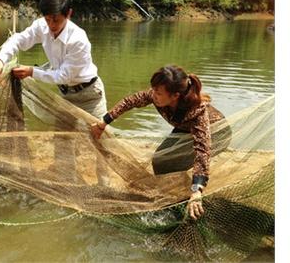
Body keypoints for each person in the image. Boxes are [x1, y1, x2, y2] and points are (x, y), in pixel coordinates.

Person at [91, 65, 232, 220]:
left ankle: (188, 199)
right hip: (185, 129)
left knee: (174, 164)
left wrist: (197, 190)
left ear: (175, 96)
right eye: (154, 90)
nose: (153, 95)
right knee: (160, 160)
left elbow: (202, 150)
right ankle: (174, 198)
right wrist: (104, 122)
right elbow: (130, 101)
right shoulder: (156, 96)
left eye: (158, 93)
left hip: (217, 133)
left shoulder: (197, 111)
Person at [0, 0, 107, 119]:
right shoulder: (42, 26)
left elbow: (64, 76)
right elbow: (19, 40)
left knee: (98, 137)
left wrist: (32, 71)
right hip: (66, 95)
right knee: (60, 138)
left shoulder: (78, 40)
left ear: (68, 14)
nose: (51, 25)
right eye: (47, 19)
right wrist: (0, 60)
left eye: (56, 20)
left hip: (89, 97)